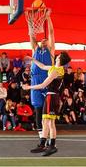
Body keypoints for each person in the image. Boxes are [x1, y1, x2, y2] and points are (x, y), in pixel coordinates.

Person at [22, 51, 71, 156]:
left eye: (59, 56)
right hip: (50, 96)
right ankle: (42, 144)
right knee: (45, 121)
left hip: (52, 96)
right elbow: (43, 66)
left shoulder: (56, 71)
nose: (57, 56)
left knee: (50, 123)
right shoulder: (54, 68)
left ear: (60, 59)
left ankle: (52, 145)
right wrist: (33, 59)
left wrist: (28, 87)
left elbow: (43, 85)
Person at [28, 10, 55, 139]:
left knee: (47, 108)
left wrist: (48, 18)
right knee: (38, 107)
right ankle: (41, 134)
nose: (44, 40)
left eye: (46, 40)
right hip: (35, 80)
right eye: (42, 40)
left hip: (46, 80)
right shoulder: (35, 49)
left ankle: (48, 132)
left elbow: (51, 33)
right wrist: (30, 21)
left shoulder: (51, 51)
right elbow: (32, 36)